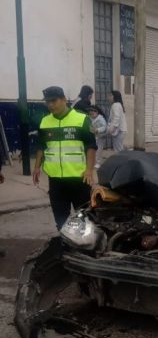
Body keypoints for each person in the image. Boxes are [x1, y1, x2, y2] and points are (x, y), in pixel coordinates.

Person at [33, 86, 96, 230]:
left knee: (84, 219)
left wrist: (89, 170)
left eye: (53, 101)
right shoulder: (44, 122)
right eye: (47, 102)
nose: (50, 105)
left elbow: (91, 147)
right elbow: (41, 147)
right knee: (61, 221)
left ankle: (85, 249)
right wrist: (37, 167)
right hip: (56, 181)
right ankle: (66, 247)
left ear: (64, 100)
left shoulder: (82, 119)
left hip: (79, 179)